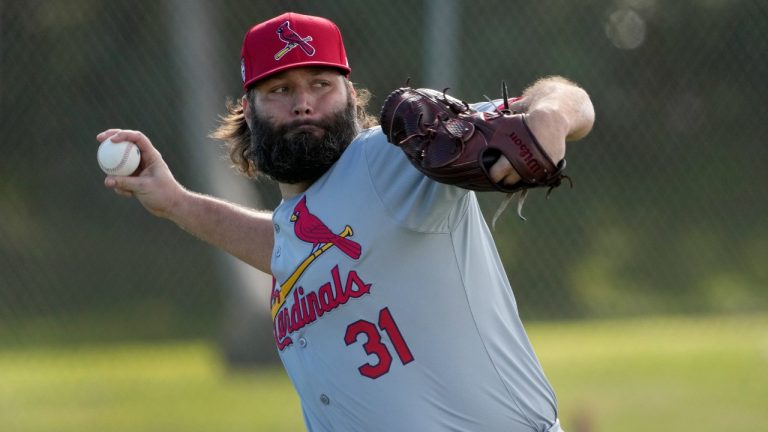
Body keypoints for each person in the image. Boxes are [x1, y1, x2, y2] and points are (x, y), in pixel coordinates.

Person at [99, 12, 594, 432]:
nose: (303, 102)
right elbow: (284, 246)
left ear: (351, 97)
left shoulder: (393, 158)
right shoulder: (300, 233)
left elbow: (573, 101)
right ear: (247, 112)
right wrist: (176, 202)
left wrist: (549, 114)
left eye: (320, 84)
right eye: (280, 89)